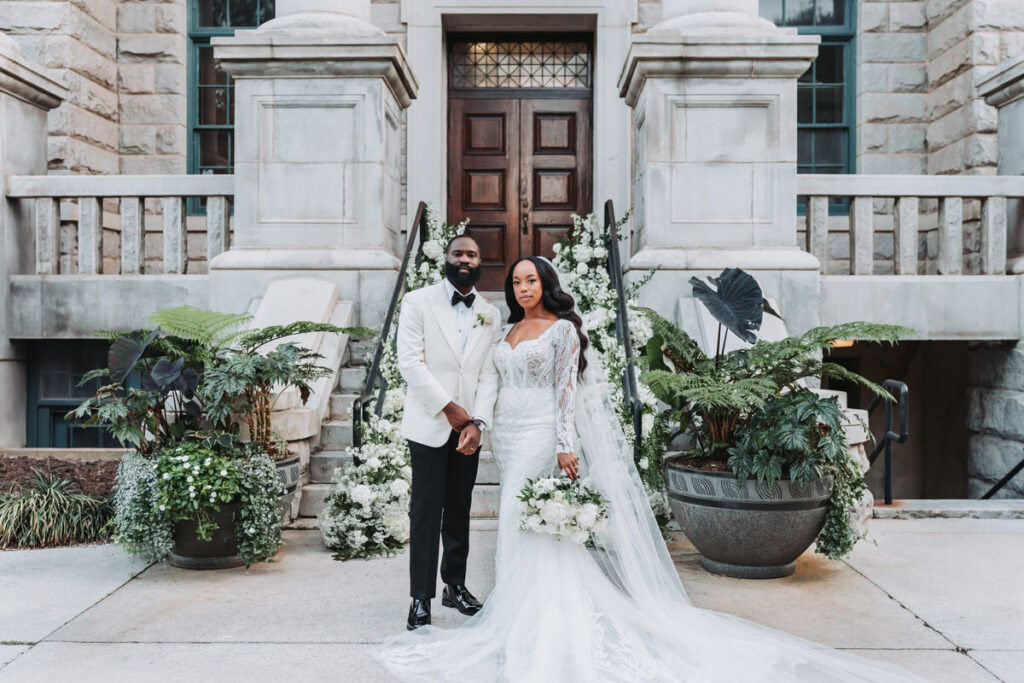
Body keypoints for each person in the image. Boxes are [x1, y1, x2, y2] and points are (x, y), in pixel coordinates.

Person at [380, 255, 926, 682]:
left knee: (536, 522)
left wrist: (567, 446)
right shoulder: (503, 330)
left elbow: (565, 393)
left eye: (532, 280)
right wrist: (479, 423)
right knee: (517, 524)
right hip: (510, 436)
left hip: (546, 435)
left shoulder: (564, 331)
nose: (524, 289)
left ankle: (545, 620)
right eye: (518, 282)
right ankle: (517, 609)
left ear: (547, 283)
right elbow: (492, 382)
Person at [394, 234, 503, 631]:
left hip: (468, 432)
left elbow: (489, 373)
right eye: (458, 253)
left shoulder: (491, 314)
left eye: (472, 254)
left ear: (480, 262)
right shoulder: (418, 302)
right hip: (429, 425)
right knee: (426, 513)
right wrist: (450, 410)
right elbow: (410, 362)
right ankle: (420, 597)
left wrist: (477, 422)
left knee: (459, 508)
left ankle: (453, 586)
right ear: (446, 258)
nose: (464, 259)